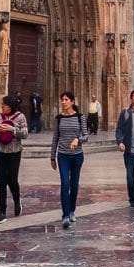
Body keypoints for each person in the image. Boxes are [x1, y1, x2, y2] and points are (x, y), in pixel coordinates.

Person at [51, 91, 87, 228]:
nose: (64, 102)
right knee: (65, 184)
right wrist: (52, 157)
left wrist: (78, 140)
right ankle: (65, 215)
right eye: (62, 100)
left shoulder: (80, 117)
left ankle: (72, 210)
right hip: (63, 155)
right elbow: (55, 138)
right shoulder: (59, 118)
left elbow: (86, 135)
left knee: (74, 185)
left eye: (66, 99)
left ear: (72, 102)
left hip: (77, 155)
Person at [0, 94, 28, 223]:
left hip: (14, 152)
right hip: (0, 152)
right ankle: (2, 212)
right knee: (1, 181)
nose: (2, 106)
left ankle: (17, 200)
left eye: (5, 105)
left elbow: (25, 134)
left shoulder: (20, 117)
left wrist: (12, 129)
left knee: (12, 179)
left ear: (11, 106)